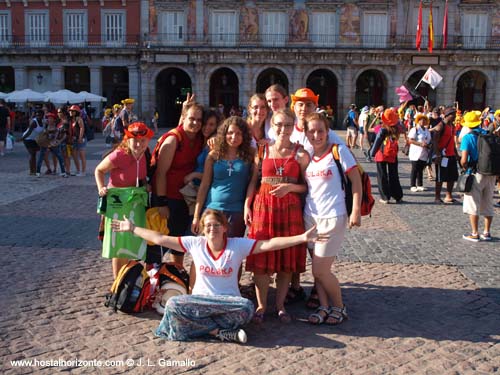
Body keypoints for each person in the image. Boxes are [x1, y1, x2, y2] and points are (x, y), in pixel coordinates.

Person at [111, 208, 324, 343]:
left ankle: (200, 328)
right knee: (174, 304)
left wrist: (302, 237)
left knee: (247, 308)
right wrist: (132, 228)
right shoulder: (195, 244)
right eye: (208, 226)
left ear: (224, 228)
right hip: (200, 301)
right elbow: (159, 238)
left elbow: (268, 244)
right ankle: (218, 332)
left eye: (216, 225)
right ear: (203, 229)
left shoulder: (237, 245)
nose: (212, 228)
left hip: (228, 303)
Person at [244, 108, 310, 324]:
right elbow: (254, 180)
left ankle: (280, 305)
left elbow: (306, 187)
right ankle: (262, 304)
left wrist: (290, 189)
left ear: (293, 127)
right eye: (279, 124)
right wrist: (247, 205)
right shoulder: (262, 150)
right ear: (272, 125)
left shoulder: (301, 154)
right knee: (261, 255)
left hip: (289, 210)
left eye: (288, 125)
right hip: (263, 206)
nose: (283, 129)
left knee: (285, 259)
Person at [303, 112, 362, 325]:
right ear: (306, 133)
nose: (316, 135)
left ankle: (339, 306)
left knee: (319, 269)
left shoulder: (339, 151)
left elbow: (356, 182)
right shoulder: (307, 155)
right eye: (312, 131)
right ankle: (324, 306)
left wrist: (355, 210)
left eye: (321, 131)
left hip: (333, 216)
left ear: (327, 131)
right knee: (318, 269)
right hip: (310, 218)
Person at [95, 122, 154, 278]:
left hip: (135, 202)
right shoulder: (120, 154)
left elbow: (141, 177)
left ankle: (127, 276)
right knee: (119, 243)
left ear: (148, 140)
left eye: (143, 140)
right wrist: (101, 187)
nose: (139, 144)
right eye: (135, 140)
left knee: (132, 240)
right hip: (117, 204)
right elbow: (99, 170)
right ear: (127, 139)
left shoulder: (145, 154)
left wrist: (147, 185)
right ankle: (118, 281)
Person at [152, 102, 204, 265]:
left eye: (199, 120)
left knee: (179, 240)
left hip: (185, 198)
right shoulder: (173, 140)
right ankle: (151, 277)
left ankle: (177, 271)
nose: (195, 123)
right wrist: (161, 202)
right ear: (183, 118)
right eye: (192, 119)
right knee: (159, 242)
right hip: (168, 198)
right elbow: (160, 174)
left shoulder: (197, 138)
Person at [192, 116, 254, 237]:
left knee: (232, 251)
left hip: (237, 210)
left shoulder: (250, 155)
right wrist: (196, 216)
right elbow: (204, 185)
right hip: (212, 208)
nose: (234, 137)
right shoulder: (213, 155)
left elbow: (252, 182)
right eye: (230, 133)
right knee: (211, 250)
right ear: (224, 134)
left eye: (238, 133)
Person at [459, 111, 496, 242]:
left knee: (473, 203)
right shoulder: (487, 134)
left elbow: (464, 160)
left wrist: (464, 167)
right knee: (488, 202)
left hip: (476, 173)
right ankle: (487, 232)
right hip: (490, 173)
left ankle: (475, 233)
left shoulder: (467, 138)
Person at [369, 108, 403, 204]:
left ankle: (385, 197)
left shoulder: (382, 128)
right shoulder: (396, 128)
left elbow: (377, 141)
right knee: (394, 175)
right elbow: (403, 128)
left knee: (382, 175)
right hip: (392, 153)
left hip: (381, 153)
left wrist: (372, 153)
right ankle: (397, 196)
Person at [433, 107, 459, 204]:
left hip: (451, 155)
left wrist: (457, 155)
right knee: (440, 177)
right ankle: (437, 197)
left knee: (451, 177)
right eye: (453, 115)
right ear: (447, 115)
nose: (455, 117)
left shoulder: (452, 126)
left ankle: (449, 196)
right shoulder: (440, 126)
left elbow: (452, 141)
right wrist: (437, 154)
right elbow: (435, 140)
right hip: (442, 156)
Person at [35, 112, 67, 177]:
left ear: (54, 119)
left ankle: (63, 172)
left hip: (53, 144)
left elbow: (63, 135)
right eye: (48, 118)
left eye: (51, 118)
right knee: (41, 157)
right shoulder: (45, 126)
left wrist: (59, 141)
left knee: (59, 157)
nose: (49, 120)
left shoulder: (56, 127)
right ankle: (37, 172)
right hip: (46, 143)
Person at [407, 114, 432, 192]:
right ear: (418, 121)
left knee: (421, 169)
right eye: (420, 120)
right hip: (415, 152)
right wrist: (420, 144)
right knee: (415, 168)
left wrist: (428, 145)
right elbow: (410, 140)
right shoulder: (414, 129)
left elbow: (429, 139)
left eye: (424, 120)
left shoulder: (427, 130)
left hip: (424, 152)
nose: (422, 121)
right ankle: (413, 185)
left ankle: (420, 184)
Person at [21, 110, 46, 176]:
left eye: (40, 115)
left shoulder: (43, 121)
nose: (38, 116)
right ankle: (32, 171)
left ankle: (34, 170)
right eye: (37, 115)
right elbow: (29, 131)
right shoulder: (34, 122)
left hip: (34, 139)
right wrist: (22, 139)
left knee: (34, 154)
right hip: (27, 138)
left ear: (43, 115)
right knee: (32, 154)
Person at [68, 104, 87, 177]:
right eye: (70, 111)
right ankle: (78, 170)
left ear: (76, 112)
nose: (71, 112)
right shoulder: (71, 120)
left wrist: (80, 137)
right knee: (74, 155)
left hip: (81, 138)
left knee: (82, 155)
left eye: (72, 111)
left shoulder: (79, 119)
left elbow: (82, 128)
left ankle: (83, 171)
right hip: (74, 139)